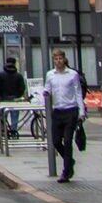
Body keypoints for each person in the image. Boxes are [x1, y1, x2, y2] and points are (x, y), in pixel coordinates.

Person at [42, 49, 85, 182]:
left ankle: (66, 172)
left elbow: (78, 93)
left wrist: (81, 112)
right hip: (57, 111)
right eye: (56, 59)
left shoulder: (73, 75)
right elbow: (47, 89)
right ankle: (70, 161)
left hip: (71, 111)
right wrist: (44, 93)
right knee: (55, 141)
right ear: (53, 60)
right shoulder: (50, 75)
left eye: (60, 58)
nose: (58, 61)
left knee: (67, 141)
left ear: (64, 59)